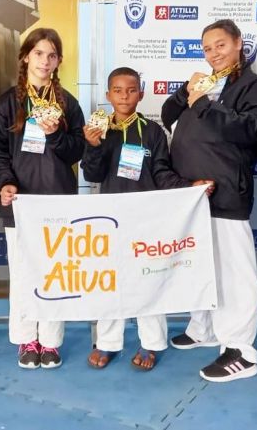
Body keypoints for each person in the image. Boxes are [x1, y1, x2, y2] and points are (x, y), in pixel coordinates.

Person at [161, 19, 257, 382]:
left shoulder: (253, 86)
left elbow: (252, 130)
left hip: (226, 193)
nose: (213, 54)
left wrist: (204, 105)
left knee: (233, 275)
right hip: (192, 195)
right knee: (200, 267)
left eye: (220, 45)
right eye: (207, 48)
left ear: (239, 43)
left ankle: (241, 350)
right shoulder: (205, 82)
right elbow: (167, 116)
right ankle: (204, 329)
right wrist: (186, 93)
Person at [81, 67, 211, 371]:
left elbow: (162, 173)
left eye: (131, 90)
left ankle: (151, 343)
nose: (124, 96)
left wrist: (189, 187)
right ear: (108, 95)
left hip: (147, 218)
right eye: (117, 90)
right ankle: (107, 342)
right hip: (111, 218)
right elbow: (92, 175)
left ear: (141, 94)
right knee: (110, 281)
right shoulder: (98, 130)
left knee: (149, 280)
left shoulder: (153, 132)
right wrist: (94, 146)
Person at [0, 28, 85, 369]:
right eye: (39, 53)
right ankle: (26, 339)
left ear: (59, 61)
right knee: (23, 275)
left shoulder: (68, 103)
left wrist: (56, 134)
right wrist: (5, 182)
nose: (45, 61)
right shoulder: (7, 103)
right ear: (26, 56)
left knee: (55, 275)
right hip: (21, 203)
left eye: (52, 55)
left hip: (58, 201)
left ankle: (51, 341)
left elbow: (77, 151)